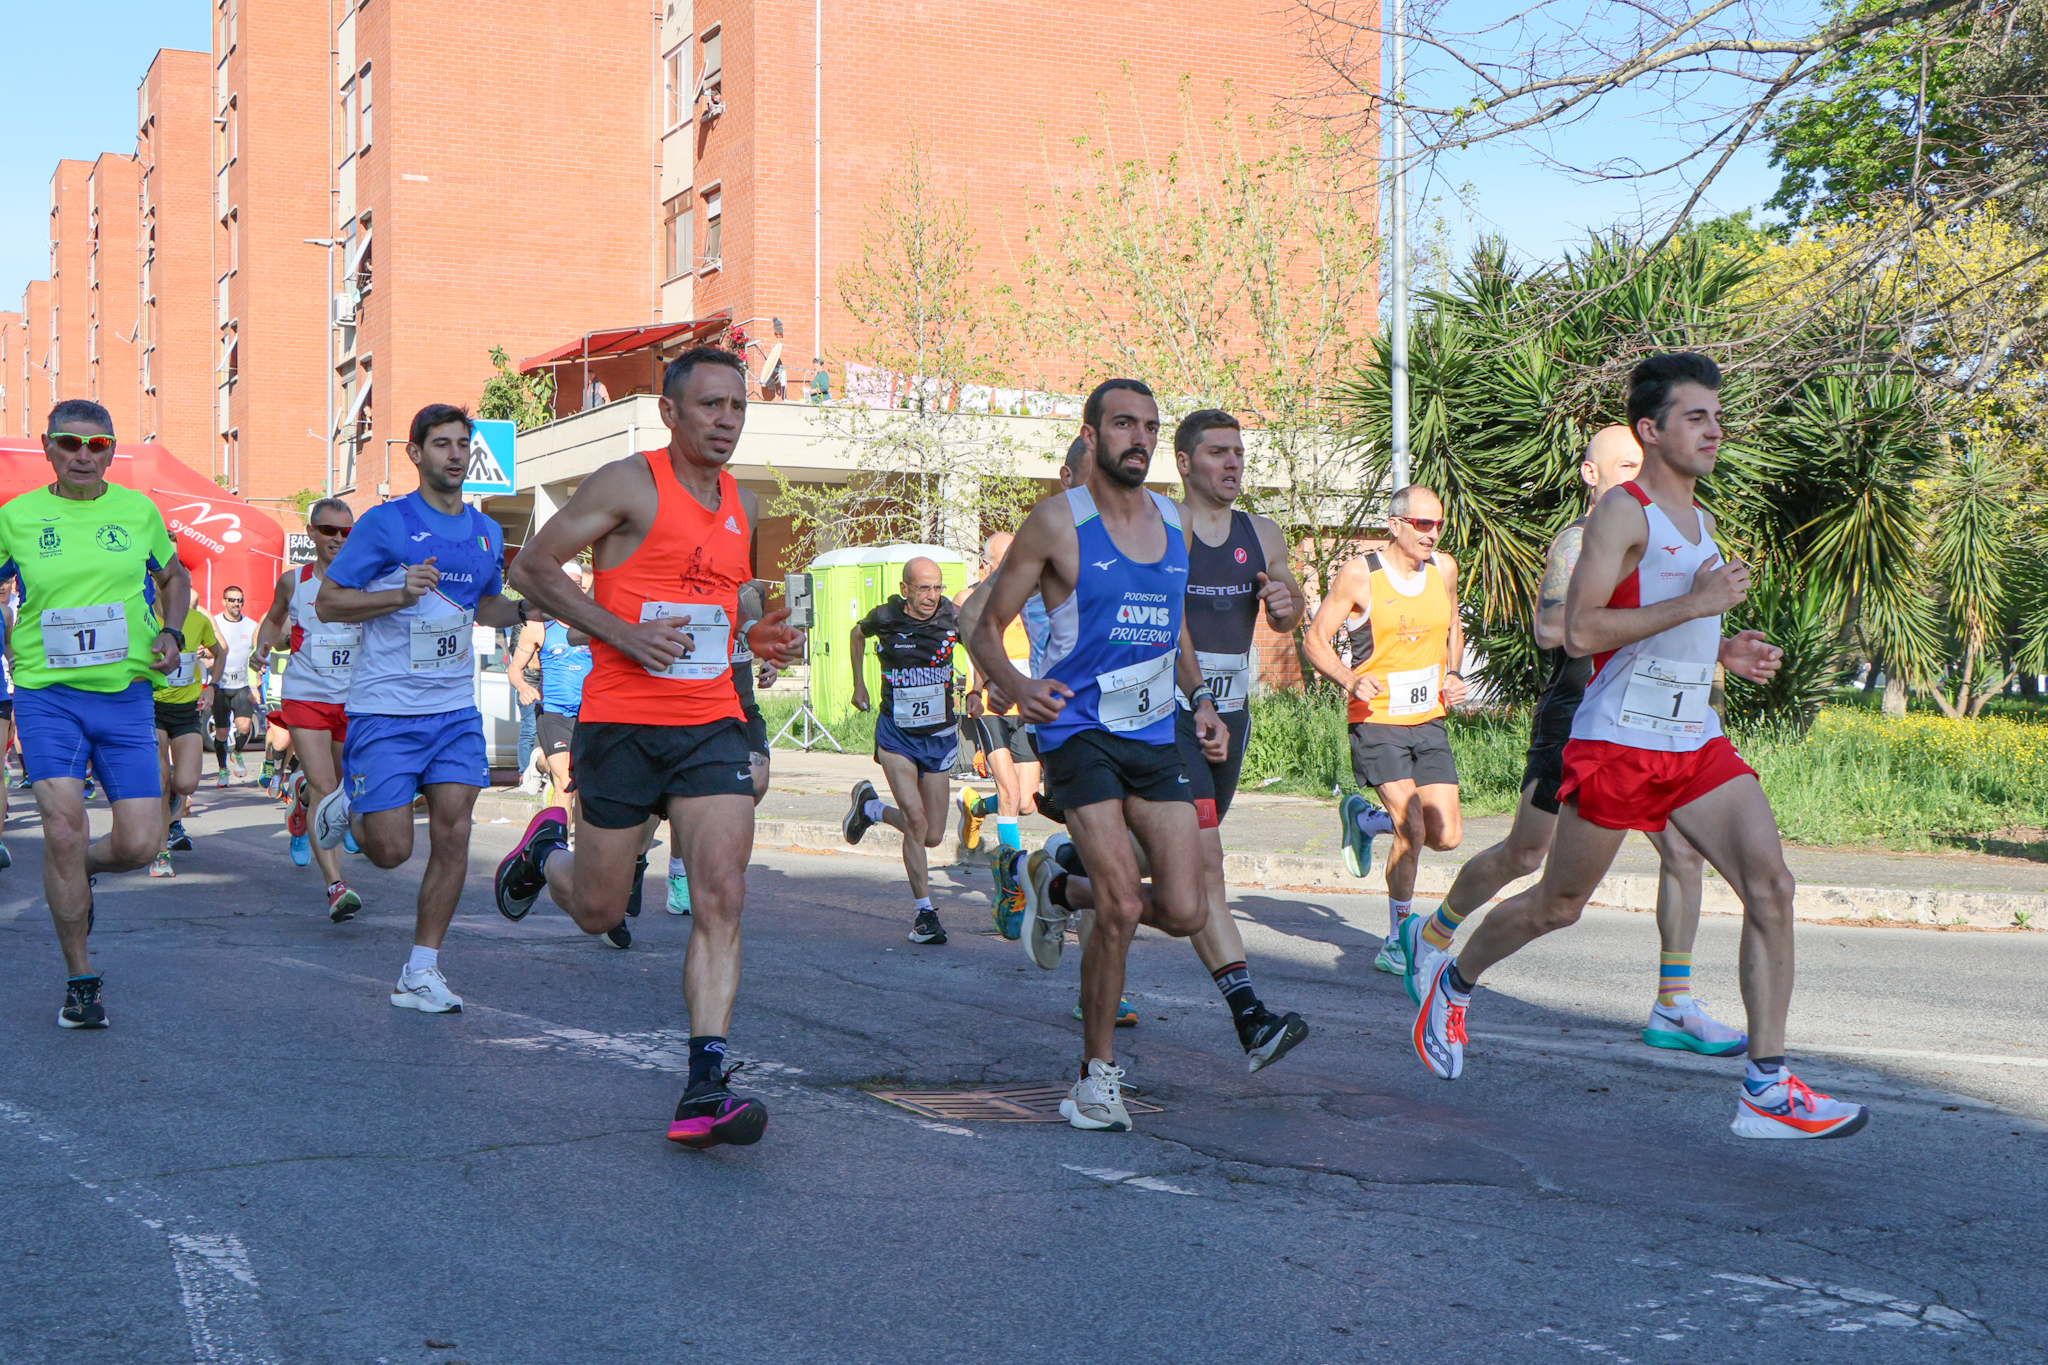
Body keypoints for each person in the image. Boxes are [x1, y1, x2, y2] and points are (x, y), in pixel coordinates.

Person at [1409, 353, 1868, 1139]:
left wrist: (1725, 649)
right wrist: (1696, 603)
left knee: (1772, 886)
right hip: (1619, 739)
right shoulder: (1625, 513)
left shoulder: (1704, 521)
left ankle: (1766, 1086)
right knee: (1558, 904)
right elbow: (1581, 631)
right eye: (1696, 417)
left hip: (1693, 739)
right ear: (1650, 430)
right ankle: (1454, 983)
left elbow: (1674, 625)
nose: (1714, 430)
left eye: (1717, 417)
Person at [491, 346, 803, 1149]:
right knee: (600, 910)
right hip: (623, 721)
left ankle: (705, 1083)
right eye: (710, 405)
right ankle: (546, 853)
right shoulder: (628, 483)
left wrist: (756, 633)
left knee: (722, 894)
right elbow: (532, 567)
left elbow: (721, 598)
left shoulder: (745, 503)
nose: (727, 420)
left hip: (710, 722)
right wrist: (623, 632)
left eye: (737, 406)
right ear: (670, 411)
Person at [1400, 426, 1743, 1054]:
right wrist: (1642, 610)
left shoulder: (1678, 529)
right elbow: (1552, 630)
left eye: (1643, 464)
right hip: (1581, 718)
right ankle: (1432, 934)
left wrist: (1722, 647)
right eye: (1625, 466)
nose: (1640, 476)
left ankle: (1673, 1003)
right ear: (1592, 474)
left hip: (1656, 725)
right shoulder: (1579, 540)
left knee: (1682, 853)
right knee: (1525, 856)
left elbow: (1680, 626)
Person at [966, 379, 1226, 1133]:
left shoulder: (1173, 522)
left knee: (1185, 907)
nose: (1138, 438)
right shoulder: (1057, 522)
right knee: (1121, 902)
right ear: (1091, 435)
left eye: (1149, 426)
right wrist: (1018, 686)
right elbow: (983, 623)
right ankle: (1096, 1076)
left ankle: (1053, 884)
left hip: (1152, 734)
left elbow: (1172, 624)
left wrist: (1201, 700)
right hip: (1077, 731)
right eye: (1122, 424)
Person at [1035, 410, 1313, 1070]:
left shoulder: (1261, 532)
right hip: (1172, 711)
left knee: (1152, 860)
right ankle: (1250, 1017)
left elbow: (1290, 599)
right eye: (1217, 452)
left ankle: (1063, 879)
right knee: (1206, 865)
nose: (1233, 463)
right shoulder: (1162, 525)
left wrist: (1288, 604)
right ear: (1184, 462)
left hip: (1228, 713)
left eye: (1238, 452)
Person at [307, 404, 526, 1013]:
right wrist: (396, 596)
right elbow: (328, 602)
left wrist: (526, 610)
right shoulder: (386, 524)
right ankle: (346, 802)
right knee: (390, 852)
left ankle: (421, 970)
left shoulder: (485, 531)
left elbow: (484, 606)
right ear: (415, 453)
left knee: (454, 831)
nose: (455, 455)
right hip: (385, 710)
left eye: (462, 444)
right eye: (441, 444)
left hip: (454, 711)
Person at [0, 400, 192, 1028]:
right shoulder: (16, 517)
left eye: (97, 445)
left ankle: (74, 872)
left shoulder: (137, 511)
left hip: (125, 695)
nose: (83, 455)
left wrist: (171, 632)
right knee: (62, 828)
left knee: (140, 844)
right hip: (47, 695)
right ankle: (80, 980)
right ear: (48, 448)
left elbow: (175, 577)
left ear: (111, 451)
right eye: (69, 443)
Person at [1301, 485, 1467, 979]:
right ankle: (1397, 939)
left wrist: (1453, 674)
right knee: (1412, 827)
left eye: (1438, 525)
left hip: (1428, 718)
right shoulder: (1361, 575)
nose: (1432, 534)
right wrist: (1350, 679)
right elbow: (1315, 639)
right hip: (1375, 719)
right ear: (1395, 525)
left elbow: (1453, 626)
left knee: (1446, 835)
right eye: (1422, 524)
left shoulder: (1444, 569)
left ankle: (1367, 821)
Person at [843, 556, 965, 944]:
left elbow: (980, 646)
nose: (932, 596)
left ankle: (870, 809)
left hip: (939, 736)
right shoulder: (885, 617)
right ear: (905, 590)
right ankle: (924, 914)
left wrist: (979, 689)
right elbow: (856, 635)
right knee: (915, 820)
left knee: (931, 835)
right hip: (896, 735)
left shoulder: (952, 617)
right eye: (924, 588)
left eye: (938, 587)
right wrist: (859, 685)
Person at [255, 497, 363, 921]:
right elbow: (272, 619)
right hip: (306, 696)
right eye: (330, 530)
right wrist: (264, 645)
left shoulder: (365, 579)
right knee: (325, 787)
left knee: (343, 786)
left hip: (353, 699)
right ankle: (336, 886)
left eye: (347, 532)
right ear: (312, 532)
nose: (339, 539)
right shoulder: (294, 581)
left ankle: (299, 799)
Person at [666, 581, 778, 915]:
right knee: (686, 795)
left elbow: (759, 638)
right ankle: (679, 871)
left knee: (756, 781)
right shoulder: (696, 593)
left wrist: (769, 662)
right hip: (702, 709)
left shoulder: (751, 593)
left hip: (742, 707)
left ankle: (715, 862)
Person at [953, 533, 1041, 878]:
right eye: (1003, 560)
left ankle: (975, 807)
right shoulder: (970, 599)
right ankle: (1012, 877)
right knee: (1010, 792)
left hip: (1026, 706)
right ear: (985, 565)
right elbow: (973, 650)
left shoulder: (1032, 595)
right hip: (991, 706)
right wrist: (976, 689)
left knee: (1027, 803)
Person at [148, 598, 221, 876]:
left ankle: (171, 802)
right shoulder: (144, 617)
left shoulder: (198, 620)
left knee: (186, 783)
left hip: (187, 710)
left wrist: (212, 687)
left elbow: (220, 654)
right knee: (161, 781)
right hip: (152, 707)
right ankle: (161, 853)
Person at [533, 562, 595, 841]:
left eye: (581, 586)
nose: (577, 590)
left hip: (589, 712)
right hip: (555, 711)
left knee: (586, 784)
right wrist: (524, 685)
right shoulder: (540, 624)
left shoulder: (594, 623)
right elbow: (521, 666)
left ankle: (541, 762)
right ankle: (557, 844)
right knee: (567, 783)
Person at [210, 582, 259, 784]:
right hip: (220, 686)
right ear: (224, 602)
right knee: (221, 732)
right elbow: (206, 649)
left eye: (240, 600)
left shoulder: (251, 625)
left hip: (242, 685)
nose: (236, 604)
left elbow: (257, 654)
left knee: (245, 727)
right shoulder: (214, 623)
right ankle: (223, 770)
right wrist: (207, 661)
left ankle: (237, 752)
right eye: (232, 600)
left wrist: (257, 678)